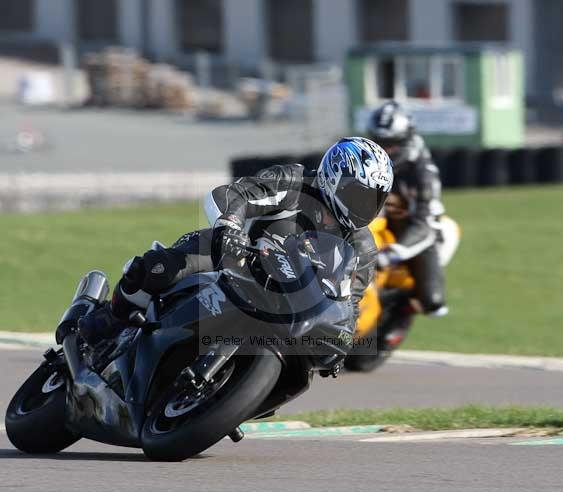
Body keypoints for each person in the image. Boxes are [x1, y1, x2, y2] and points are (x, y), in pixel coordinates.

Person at [78, 137, 393, 345]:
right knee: (162, 268)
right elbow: (235, 195)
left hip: (285, 301)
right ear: (333, 177)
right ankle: (106, 319)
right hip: (234, 256)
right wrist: (230, 227)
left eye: (374, 200)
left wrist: (341, 339)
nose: (365, 207)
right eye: (359, 195)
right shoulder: (296, 183)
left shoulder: (363, 247)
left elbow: (350, 303)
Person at [366, 101, 448, 347]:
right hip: (372, 219)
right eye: (379, 143)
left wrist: (393, 254)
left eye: (390, 144)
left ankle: (403, 311)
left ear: (405, 139)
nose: (384, 150)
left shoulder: (422, 173)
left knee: (432, 299)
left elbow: (424, 224)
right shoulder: (365, 157)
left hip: (412, 228)